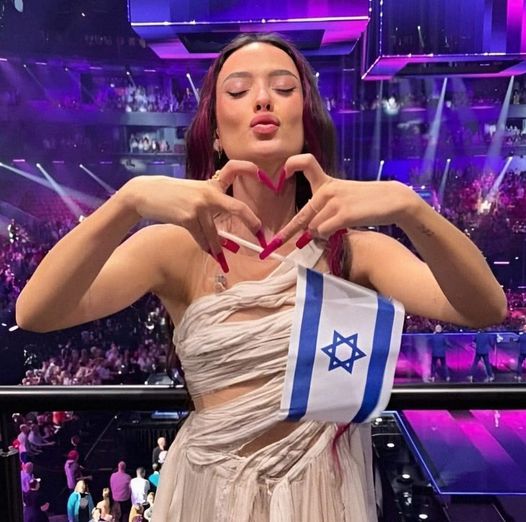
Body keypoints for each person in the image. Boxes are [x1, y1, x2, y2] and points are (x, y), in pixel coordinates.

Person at [16, 33, 507, 521]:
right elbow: (36, 311)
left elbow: (485, 308)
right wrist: (128, 201)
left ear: (306, 121)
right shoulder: (175, 247)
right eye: (238, 90)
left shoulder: (353, 250)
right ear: (214, 131)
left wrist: (409, 207)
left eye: (284, 88)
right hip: (209, 497)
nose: (263, 99)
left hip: (323, 495)